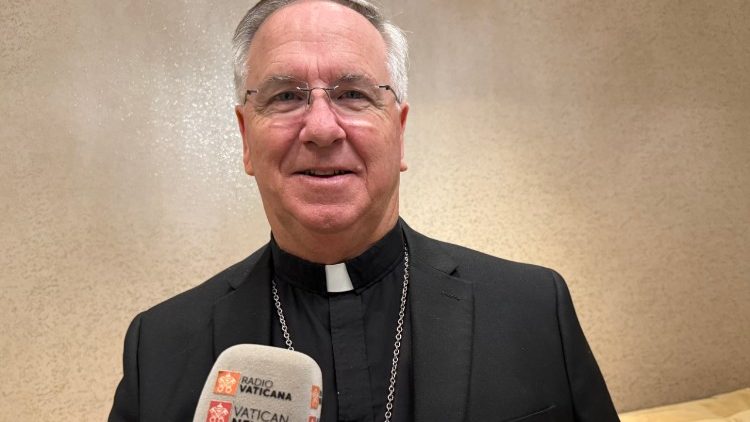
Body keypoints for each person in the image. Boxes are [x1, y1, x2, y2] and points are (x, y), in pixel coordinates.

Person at [109, 1, 620, 421]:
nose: (321, 129)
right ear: (246, 138)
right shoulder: (159, 348)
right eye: (285, 96)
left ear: (399, 131)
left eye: (353, 94)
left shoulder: (534, 308)